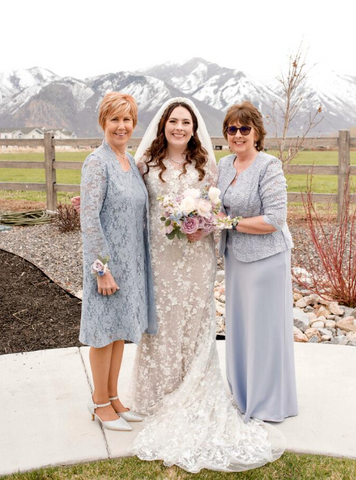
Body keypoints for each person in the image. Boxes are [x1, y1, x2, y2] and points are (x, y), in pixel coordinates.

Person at [127, 98, 286, 473]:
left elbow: (218, 209)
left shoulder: (207, 166)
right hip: (160, 257)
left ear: (195, 128)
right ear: (163, 125)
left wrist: (201, 223)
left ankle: (196, 386)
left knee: (196, 321)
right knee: (163, 321)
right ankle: (159, 393)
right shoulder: (144, 163)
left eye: (186, 122)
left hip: (197, 256)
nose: (180, 128)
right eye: (174, 121)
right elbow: (129, 200)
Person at [79, 92, 157, 431]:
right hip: (105, 266)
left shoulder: (129, 162)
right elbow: (90, 219)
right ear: (103, 123)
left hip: (130, 264)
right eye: (115, 120)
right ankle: (99, 403)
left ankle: (113, 397)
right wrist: (102, 269)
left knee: (118, 332)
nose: (121, 126)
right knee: (102, 333)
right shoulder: (97, 162)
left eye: (127, 120)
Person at [217, 101, 298, 423]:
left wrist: (230, 223)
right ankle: (242, 393)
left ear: (257, 133)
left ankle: (268, 401)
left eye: (244, 129)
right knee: (240, 327)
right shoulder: (224, 165)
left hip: (267, 259)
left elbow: (275, 219)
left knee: (264, 329)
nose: (238, 135)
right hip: (236, 259)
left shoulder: (269, 165)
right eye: (232, 129)